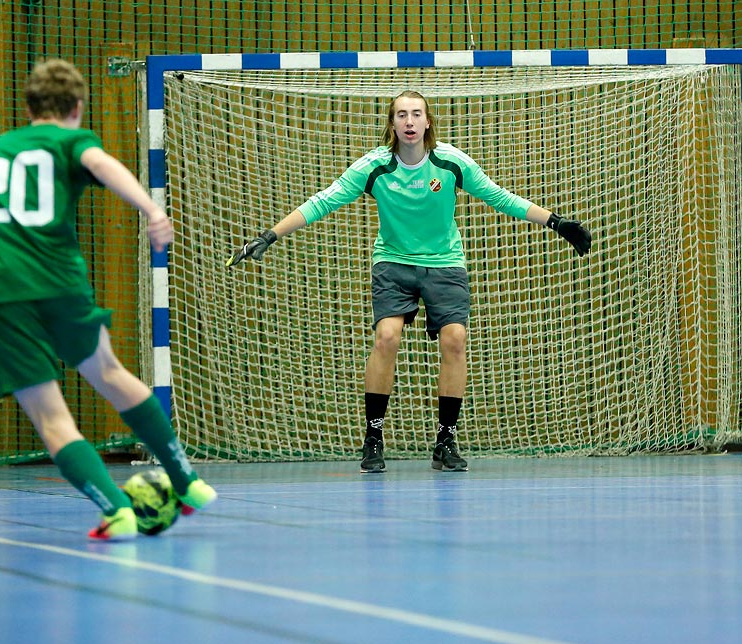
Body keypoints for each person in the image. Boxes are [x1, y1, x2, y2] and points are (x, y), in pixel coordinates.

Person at [0, 59, 216, 541]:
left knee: (51, 416)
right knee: (111, 373)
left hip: (3, 294)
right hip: (62, 283)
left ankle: (116, 510)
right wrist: (151, 208)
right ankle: (187, 480)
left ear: (28, 107)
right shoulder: (72, 140)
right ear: (78, 107)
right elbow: (102, 164)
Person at [228, 89, 591, 474]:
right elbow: (323, 201)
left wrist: (556, 222)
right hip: (393, 264)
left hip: (444, 264)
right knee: (386, 337)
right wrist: (270, 235)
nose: (410, 121)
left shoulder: (450, 163)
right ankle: (373, 438)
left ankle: (446, 440)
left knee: (455, 339)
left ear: (428, 121)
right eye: (401, 115)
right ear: (392, 124)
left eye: (416, 113)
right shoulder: (374, 167)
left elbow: (499, 197)